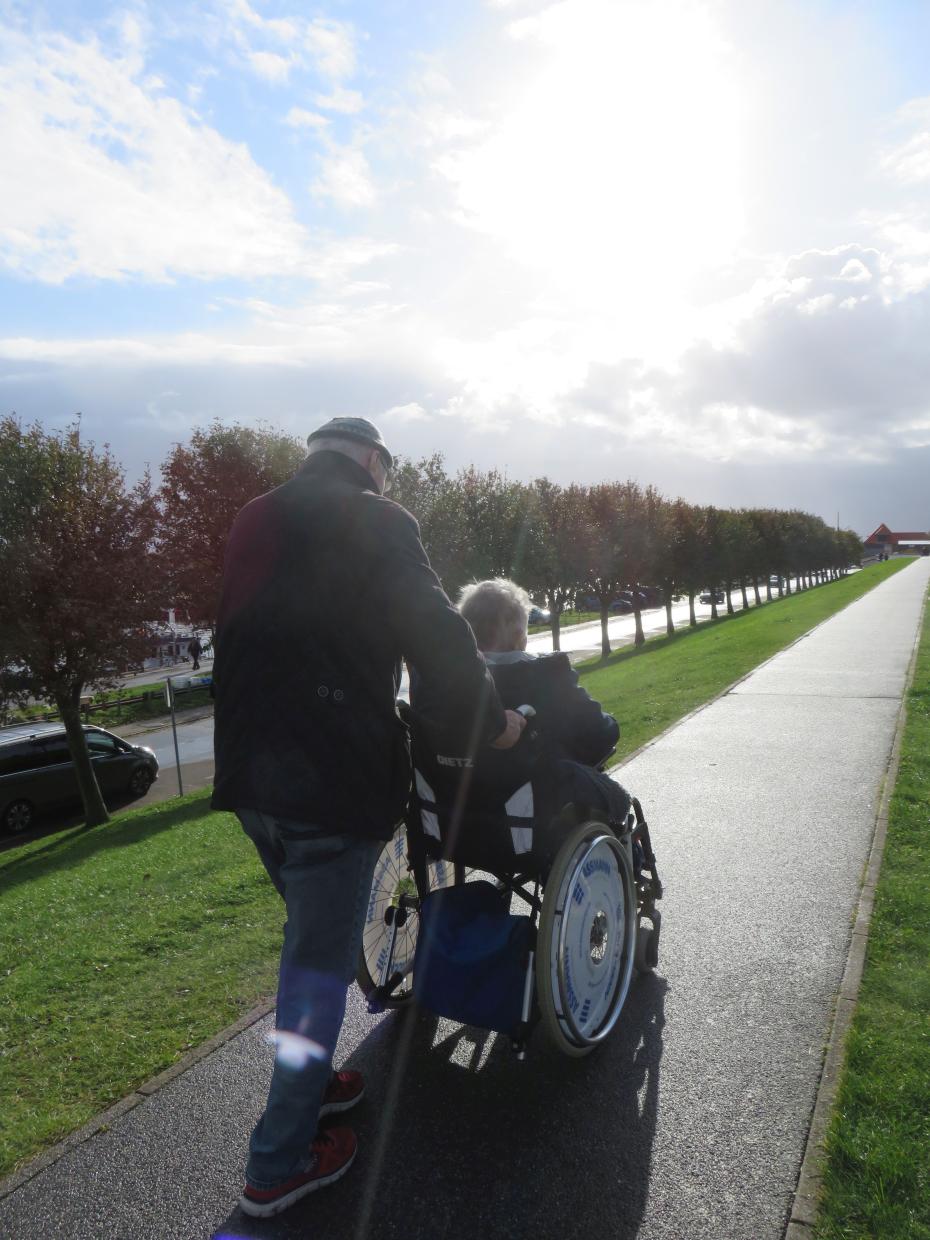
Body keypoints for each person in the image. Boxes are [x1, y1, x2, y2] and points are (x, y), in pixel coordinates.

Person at [211, 417, 524, 1219]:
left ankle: (311, 1084)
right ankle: (278, 1163)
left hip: (250, 776)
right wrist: (490, 720)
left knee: (311, 945)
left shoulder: (254, 516)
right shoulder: (378, 518)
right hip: (328, 778)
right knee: (315, 973)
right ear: (373, 461)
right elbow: (437, 633)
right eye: (387, 467)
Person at [414, 577, 632, 834]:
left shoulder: (430, 683)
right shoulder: (546, 674)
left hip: (451, 822)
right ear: (519, 635)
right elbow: (600, 734)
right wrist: (607, 726)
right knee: (619, 802)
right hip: (526, 822)